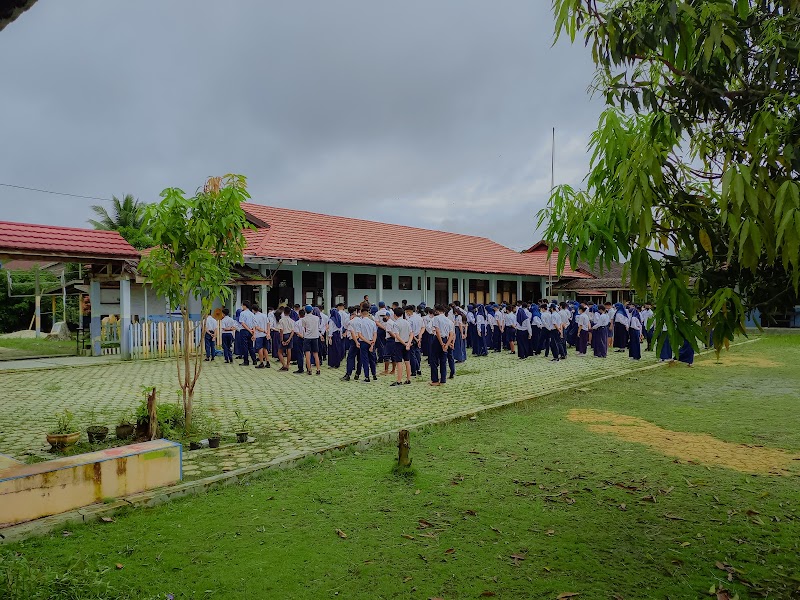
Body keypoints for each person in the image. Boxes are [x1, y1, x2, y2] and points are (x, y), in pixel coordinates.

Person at [429, 305, 454, 386]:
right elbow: (451, 334)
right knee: (443, 360)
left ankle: (435, 380)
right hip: (446, 339)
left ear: (437, 311)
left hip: (438, 340)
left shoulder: (436, 318)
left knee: (434, 360)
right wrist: (446, 345)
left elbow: (437, 331)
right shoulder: (449, 321)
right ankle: (443, 380)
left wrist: (441, 343)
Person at [390, 307, 413, 386]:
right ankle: (408, 379)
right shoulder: (407, 322)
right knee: (407, 361)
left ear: (395, 314)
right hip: (407, 342)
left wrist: (404, 344)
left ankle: (399, 380)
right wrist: (408, 343)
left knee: (399, 362)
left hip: (399, 344)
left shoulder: (396, 323)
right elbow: (411, 334)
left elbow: (397, 336)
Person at [357, 305, 378, 382]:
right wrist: (372, 343)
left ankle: (367, 376)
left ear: (361, 313)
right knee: (372, 359)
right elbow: (375, 334)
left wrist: (367, 342)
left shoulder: (360, 322)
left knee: (365, 360)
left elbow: (359, 335)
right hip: (372, 342)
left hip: (364, 342)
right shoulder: (372, 322)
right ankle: (374, 375)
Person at [342, 306, 362, 381]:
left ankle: (348, 374)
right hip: (361, 340)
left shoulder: (351, 321)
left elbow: (352, 332)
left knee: (350, 357)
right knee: (360, 358)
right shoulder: (361, 320)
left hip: (354, 340)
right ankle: (357, 373)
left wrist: (356, 342)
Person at [301, 304, 322, 375]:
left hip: (307, 337)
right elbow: (318, 326)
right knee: (316, 354)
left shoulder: (304, 319)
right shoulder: (317, 318)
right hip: (315, 336)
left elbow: (304, 328)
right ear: (312, 310)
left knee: (307, 354)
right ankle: (318, 369)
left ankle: (309, 369)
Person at [238, 301, 258, 367]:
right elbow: (254, 325)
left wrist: (249, 330)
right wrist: (253, 332)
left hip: (244, 331)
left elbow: (242, 323)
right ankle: (254, 360)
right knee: (250, 346)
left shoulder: (242, 313)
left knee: (245, 346)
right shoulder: (252, 314)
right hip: (251, 330)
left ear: (244, 306)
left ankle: (246, 361)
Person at [277, 306, 295, 371]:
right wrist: (289, 339)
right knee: (289, 351)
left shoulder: (281, 320)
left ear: (284, 312)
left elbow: (281, 330)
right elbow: (293, 331)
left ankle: (283, 365)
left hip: (284, 334)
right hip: (289, 335)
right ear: (290, 312)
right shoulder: (292, 321)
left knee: (279, 351)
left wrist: (281, 340)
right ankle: (288, 365)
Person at [327, 304, 344, 369]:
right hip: (338, 335)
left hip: (333, 335)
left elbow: (331, 329)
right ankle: (337, 363)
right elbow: (340, 327)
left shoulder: (332, 319)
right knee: (338, 349)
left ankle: (332, 363)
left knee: (332, 350)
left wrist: (330, 336)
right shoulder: (339, 318)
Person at [292, 309, 306, 374]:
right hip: (308, 338)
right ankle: (309, 367)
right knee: (308, 353)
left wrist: (302, 337)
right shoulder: (307, 321)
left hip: (300, 338)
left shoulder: (297, 322)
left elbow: (297, 332)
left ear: (299, 315)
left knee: (300, 354)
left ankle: (301, 368)